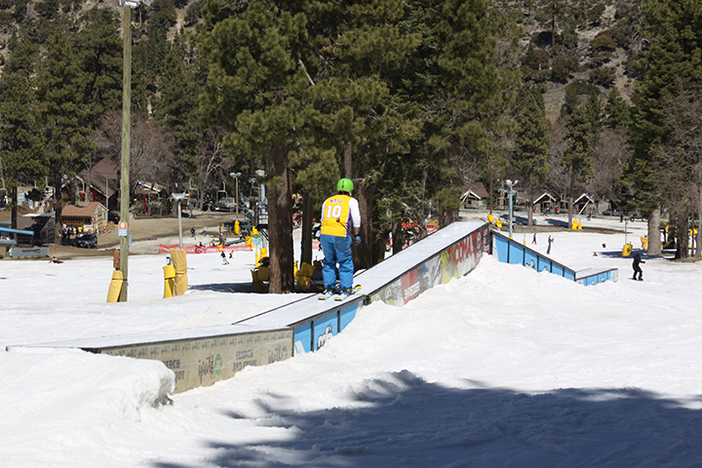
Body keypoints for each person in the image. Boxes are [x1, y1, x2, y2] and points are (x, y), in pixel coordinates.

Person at [319, 178, 361, 298]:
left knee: (328, 261)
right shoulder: (351, 201)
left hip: (325, 233)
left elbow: (322, 219)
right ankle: (346, 287)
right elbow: (356, 219)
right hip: (341, 234)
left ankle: (329, 287)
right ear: (350, 190)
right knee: (344, 261)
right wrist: (357, 235)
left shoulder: (328, 201)